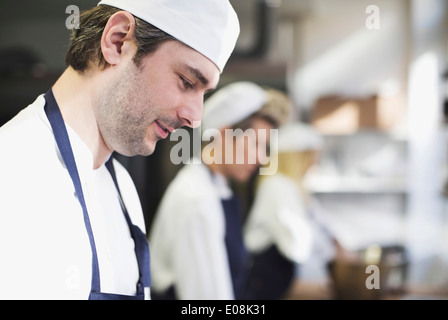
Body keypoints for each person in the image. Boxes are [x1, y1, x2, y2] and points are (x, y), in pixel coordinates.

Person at [0, 0, 239, 300]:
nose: (195, 118)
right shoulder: (11, 170)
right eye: (187, 81)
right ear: (117, 41)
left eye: (204, 94)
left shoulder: (123, 189)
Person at [149, 82, 291, 300]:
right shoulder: (197, 200)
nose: (263, 158)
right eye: (256, 144)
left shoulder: (217, 188)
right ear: (225, 134)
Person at [243, 121, 337, 300]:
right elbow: (297, 247)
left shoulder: (295, 188)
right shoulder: (277, 186)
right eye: (312, 157)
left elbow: (322, 228)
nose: (314, 163)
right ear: (298, 157)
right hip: (270, 283)